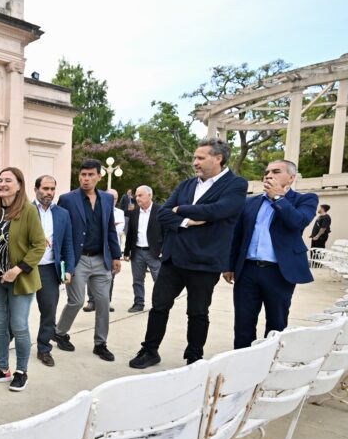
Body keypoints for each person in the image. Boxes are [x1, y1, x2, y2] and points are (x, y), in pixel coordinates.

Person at [129, 138, 247, 369]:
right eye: (194, 157)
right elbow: (162, 214)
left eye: (200, 158)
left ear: (218, 158)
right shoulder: (186, 185)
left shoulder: (235, 184)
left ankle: (194, 357)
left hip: (205, 261)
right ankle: (150, 351)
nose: (195, 162)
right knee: (159, 307)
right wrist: (186, 221)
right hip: (174, 259)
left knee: (198, 312)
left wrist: (180, 209)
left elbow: (220, 210)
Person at [224, 160, 317, 349]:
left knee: (276, 323)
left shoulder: (305, 199)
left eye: (276, 171)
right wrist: (229, 265)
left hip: (279, 272)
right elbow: (237, 236)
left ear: (291, 178)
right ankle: (242, 360)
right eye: (266, 172)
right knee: (243, 322)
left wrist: (279, 198)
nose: (268, 175)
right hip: (247, 270)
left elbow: (298, 223)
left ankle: (270, 362)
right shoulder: (250, 202)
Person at [0, 167, 44, 391]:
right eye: (0, 180)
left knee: (18, 326)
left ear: (19, 186)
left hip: (21, 279)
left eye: (8, 180)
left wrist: (17, 270)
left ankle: (21, 371)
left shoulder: (28, 210)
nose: (3, 184)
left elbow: (39, 245)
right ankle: (2, 368)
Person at [53, 159, 121, 361]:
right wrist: (62, 260)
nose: (86, 179)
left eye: (91, 175)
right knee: (76, 301)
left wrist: (116, 255)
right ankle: (60, 332)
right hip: (77, 259)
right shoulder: (67, 199)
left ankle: (100, 344)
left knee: (103, 302)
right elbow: (60, 229)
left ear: (99, 176)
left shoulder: (107, 199)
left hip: (101, 259)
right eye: (83, 175)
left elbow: (110, 229)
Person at [32, 175, 74, 368]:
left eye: (52, 189)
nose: (49, 193)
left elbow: (68, 244)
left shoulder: (62, 214)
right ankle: (6, 340)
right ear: (36, 189)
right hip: (26, 268)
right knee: (16, 310)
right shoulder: (26, 210)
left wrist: (69, 269)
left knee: (49, 311)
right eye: (45, 188)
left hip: (49, 269)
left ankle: (44, 348)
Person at [122, 185, 163, 313]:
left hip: (154, 252)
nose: (137, 198)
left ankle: (159, 305)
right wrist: (126, 251)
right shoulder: (134, 213)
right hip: (137, 252)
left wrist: (164, 250)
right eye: (136, 196)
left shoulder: (160, 211)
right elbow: (130, 234)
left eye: (140, 195)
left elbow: (167, 232)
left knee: (159, 280)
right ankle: (138, 303)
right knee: (137, 280)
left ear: (150, 196)